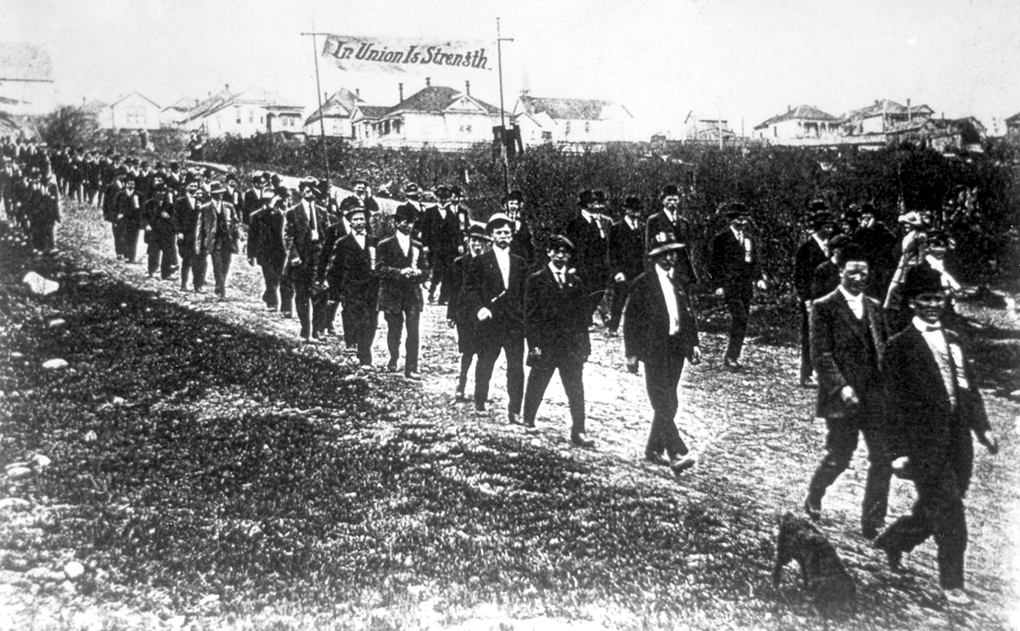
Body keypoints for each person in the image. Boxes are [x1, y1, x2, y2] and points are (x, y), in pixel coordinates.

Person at [873, 265, 999, 607]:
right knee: (950, 512)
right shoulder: (900, 347)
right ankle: (951, 583)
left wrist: (983, 427)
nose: (933, 304)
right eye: (925, 298)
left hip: (959, 441)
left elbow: (968, 390)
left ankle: (895, 539)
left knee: (935, 508)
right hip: (923, 445)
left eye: (938, 297)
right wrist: (896, 451)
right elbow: (891, 404)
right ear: (912, 303)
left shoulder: (954, 340)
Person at [804, 245, 891, 539]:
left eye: (863, 272)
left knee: (882, 456)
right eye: (852, 271)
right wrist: (841, 388)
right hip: (843, 395)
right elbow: (821, 354)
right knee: (841, 454)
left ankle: (873, 520)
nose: (858, 277)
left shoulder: (876, 308)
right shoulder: (823, 307)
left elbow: (884, 350)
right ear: (840, 272)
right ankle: (816, 492)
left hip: (874, 394)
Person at [624, 230, 701, 475]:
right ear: (654, 257)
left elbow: (688, 316)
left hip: (676, 348)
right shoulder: (643, 284)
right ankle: (676, 452)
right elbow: (631, 321)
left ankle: (653, 448)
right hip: (653, 349)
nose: (669, 259)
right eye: (663, 255)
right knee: (661, 399)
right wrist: (631, 353)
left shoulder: (679, 282)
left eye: (673, 254)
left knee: (670, 400)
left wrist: (693, 344)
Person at [522, 235, 594, 447]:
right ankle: (529, 418)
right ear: (549, 253)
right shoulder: (537, 280)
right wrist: (534, 345)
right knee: (538, 380)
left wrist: (585, 346)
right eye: (557, 251)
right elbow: (531, 316)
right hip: (546, 343)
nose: (561, 255)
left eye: (565, 252)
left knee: (575, 388)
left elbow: (582, 318)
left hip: (570, 346)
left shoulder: (576, 282)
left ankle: (579, 430)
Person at [463, 213, 527, 422]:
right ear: (491, 235)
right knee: (486, 362)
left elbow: (526, 293)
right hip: (490, 321)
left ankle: (515, 409)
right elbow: (469, 290)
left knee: (516, 367)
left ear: (512, 236)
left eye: (507, 233)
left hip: (514, 323)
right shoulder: (481, 262)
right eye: (499, 233)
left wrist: (523, 314)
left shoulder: (520, 263)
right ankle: (480, 399)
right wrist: (480, 308)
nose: (503, 237)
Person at [709, 202, 768, 371]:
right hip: (729, 286)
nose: (742, 223)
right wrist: (718, 285)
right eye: (739, 219)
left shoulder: (749, 239)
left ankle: (733, 356)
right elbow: (714, 264)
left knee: (743, 320)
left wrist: (759, 279)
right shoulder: (721, 239)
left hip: (745, 287)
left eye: (745, 219)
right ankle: (731, 357)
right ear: (731, 220)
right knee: (740, 317)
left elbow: (754, 262)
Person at [326, 198, 379, 368]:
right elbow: (334, 270)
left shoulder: (374, 241)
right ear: (349, 221)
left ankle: (365, 354)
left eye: (362, 219)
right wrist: (334, 294)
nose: (359, 222)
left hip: (370, 289)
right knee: (351, 318)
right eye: (355, 219)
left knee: (370, 322)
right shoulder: (342, 243)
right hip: (350, 288)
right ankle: (353, 349)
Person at [375, 204, 426, 378]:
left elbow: (426, 270)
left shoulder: (417, 245)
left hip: (412, 293)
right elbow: (379, 269)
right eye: (404, 222)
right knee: (394, 329)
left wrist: (419, 273)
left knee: (413, 330)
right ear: (396, 223)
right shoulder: (385, 244)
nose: (408, 226)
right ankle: (394, 357)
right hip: (393, 294)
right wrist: (399, 272)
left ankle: (411, 367)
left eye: (411, 222)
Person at [446, 223, 490, 400]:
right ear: (468, 241)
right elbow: (453, 290)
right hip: (464, 313)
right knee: (467, 350)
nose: (477, 245)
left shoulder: (489, 263)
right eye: (474, 241)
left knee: (485, 351)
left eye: (480, 241)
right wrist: (451, 314)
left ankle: (481, 391)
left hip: (483, 313)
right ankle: (461, 386)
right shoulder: (460, 263)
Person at [793, 202, 834, 387]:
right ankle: (806, 374)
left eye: (830, 226)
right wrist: (806, 299)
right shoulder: (806, 249)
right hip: (812, 299)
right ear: (818, 227)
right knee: (810, 337)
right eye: (825, 226)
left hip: (830, 297)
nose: (829, 229)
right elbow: (799, 277)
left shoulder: (832, 248)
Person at [284, 178, 330, 342]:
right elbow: (288, 237)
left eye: (313, 189)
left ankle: (318, 330)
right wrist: (294, 256)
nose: (310, 192)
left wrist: (328, 256)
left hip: (319, 257)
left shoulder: (322, 212)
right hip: (301, 258)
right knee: (302, 294)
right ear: (301, 191)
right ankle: (305, 329)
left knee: (321, 293)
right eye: (306, 189)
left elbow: (328, 236)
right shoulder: (292, 212)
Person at [564, 190, 610, 326]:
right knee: (583, 293)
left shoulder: (596, 223)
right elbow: (573, 246)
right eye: (592, 202)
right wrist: (572, 266)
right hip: (581, 265)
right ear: (586, 204)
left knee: (597, 292)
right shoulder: (575, 223)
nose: (595, 205)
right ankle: (584, 320)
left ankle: (585, 317)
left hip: (596, 265)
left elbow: (601, 244)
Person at [606, 195, 647, 335]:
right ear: (626, 210)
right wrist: (617, 271)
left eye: (638, 210)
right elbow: (612, 252)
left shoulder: (642, 228)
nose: (635, 213)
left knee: (641, 299)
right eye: (632, 210)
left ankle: (638, 328)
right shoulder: (616, 228)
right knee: (619, 299)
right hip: (623, 271)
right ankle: (613, 327)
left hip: (639, 270)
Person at [645, 183, 697, 287]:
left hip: (682, 272)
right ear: (663, 201)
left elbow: (688, 249)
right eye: (669, 200)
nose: (672, 203)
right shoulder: (654, 220)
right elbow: (649, 248)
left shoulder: (683, 223)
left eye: (675, 199)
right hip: (664, 268)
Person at [884, 210, 928, 332]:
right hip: (901, 268)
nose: (905, 226)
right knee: (892, 292)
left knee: (904, 295)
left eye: (908, 223)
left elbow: (921, 257)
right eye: (904, 224)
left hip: (911, 269)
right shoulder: (907, 236)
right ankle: (890, 321)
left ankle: (901, 323)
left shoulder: (920, 236)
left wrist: (918, 272)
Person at [420, 185, 462, 304]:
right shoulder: (430, 212)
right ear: (436, 198)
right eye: (440, 197)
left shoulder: (452, 213)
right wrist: (425, 245)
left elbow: (457, 230)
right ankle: (431, 293)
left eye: (445, 198)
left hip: (449, 248)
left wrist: (459, 243)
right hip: (435, 248)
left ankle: (443, 297)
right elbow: (425, 230)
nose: (443, 200)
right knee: (437, 271)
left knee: (448, 272)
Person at [206, 181, 242, 300]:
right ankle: (221, 290)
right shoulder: (206, 208)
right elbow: (201, 227)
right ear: (212, 194)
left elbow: (236, 221)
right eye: (217, 193)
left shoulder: (229, 206)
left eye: (221, 193)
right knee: (217, 265)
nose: (220, 195)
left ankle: (220, 284)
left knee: (226, 264)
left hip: (228, 240)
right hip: (215, 240)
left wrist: (235, 229)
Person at [174, 175, 209, 292]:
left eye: (195, 186)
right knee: (186, 260)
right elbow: (176, 218)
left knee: (198, 261)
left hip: (198, 235)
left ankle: (197, 285)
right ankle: (184, 283)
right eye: (191, 185)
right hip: (185, 235)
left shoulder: (202, 201)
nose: (193, 188)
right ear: (186, 187)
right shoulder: (180, 201)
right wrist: (179, 231)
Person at [141, 171, 179, 280]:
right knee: (153, 253)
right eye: (159, 191)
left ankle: (165, 274)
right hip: (153, 232)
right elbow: (143, 217)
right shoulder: (149, 204)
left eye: (163, 191)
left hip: (167, 233)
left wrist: (168, 217)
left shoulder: (170, 206)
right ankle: (151, 272)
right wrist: (146, 225)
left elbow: (176, 219)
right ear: (155, 192)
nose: (161, 194)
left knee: (167, 253)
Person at [503, 189, 534, 267]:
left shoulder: (522, 222)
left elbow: (527, 242)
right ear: (505, 205)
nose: (513, 206)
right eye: (511, 203)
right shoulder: (501, 220)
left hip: (520, 257)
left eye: (516, 204)